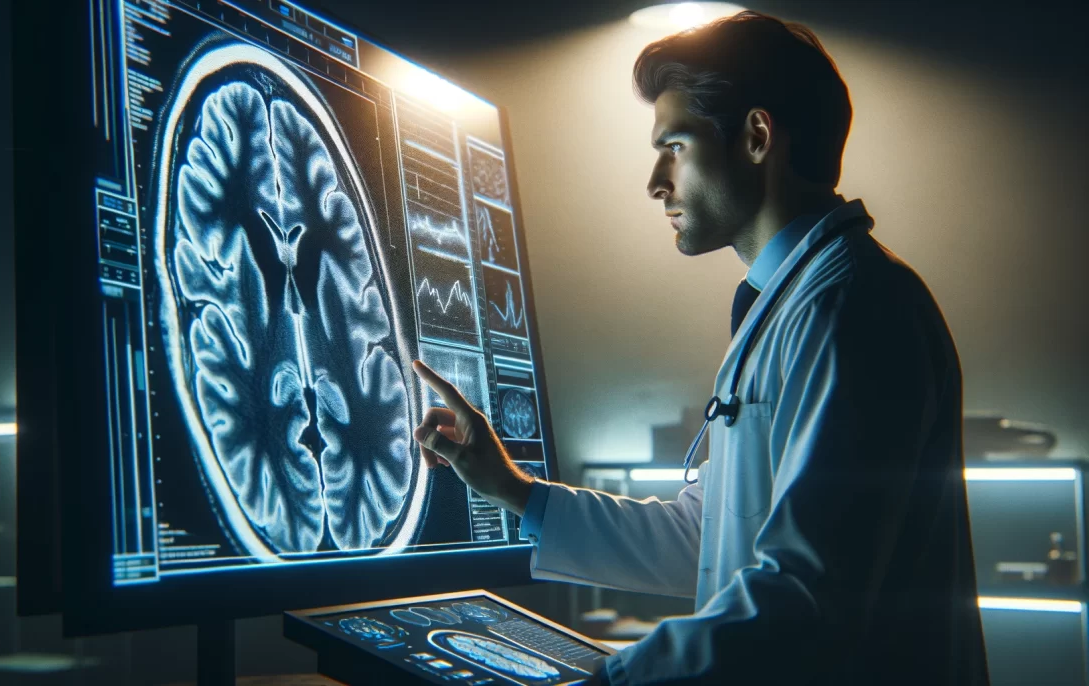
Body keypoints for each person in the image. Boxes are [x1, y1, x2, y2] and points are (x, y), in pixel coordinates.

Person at [411, 11, 988, 686]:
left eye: (675, 145)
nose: (657, 182)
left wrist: (608, 682)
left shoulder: (850, 305)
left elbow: (807, 594)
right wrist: (514, 489)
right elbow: (707, 533)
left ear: (755, 136)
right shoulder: (796, 302)